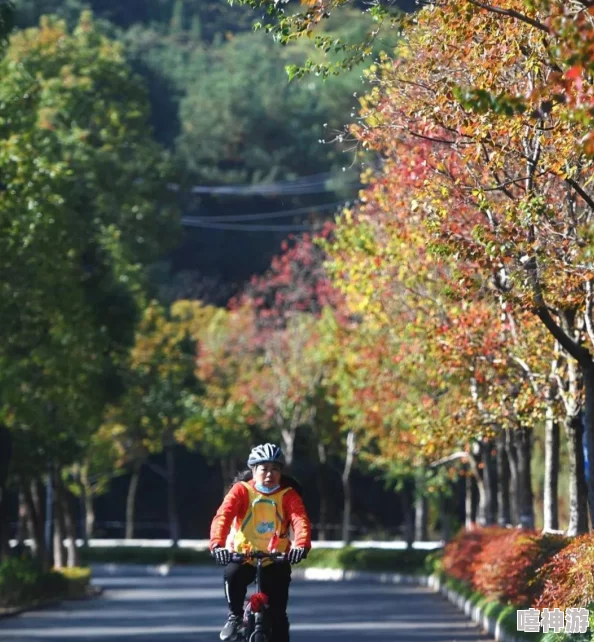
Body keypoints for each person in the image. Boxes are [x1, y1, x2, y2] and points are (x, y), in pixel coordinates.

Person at [210, 443, 311, 642]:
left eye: (275, 469)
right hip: (244, 557)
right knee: (232, 575)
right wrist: (217, 545)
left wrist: (301, 545)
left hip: (276, 560)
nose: (269, 474)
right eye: (264, 469)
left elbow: (300, 520)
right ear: (253, 471)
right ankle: (235, 617)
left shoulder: (288, 494)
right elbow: (223, 516)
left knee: (279, 617)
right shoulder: (241, 490)